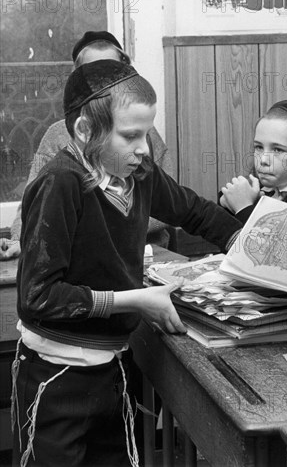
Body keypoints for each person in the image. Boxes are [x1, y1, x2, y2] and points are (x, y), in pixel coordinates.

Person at [12, 60, 243, 467]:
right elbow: (38, 297)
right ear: (85, 131)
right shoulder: (61, 182)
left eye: (147, 134)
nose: (143, 148)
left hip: (114, 370)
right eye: (130, 135)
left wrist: (250, 243)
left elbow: (195, 212)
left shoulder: (138, 172)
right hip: (57, 378)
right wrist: (135, 300)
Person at [0, 30, 174, 260]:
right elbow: (33, 204)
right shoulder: (57, 136)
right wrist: (21, 240)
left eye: (111, 71)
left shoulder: (143, 134)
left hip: (146, 254)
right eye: (92, 73)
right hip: (81, 259)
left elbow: (168, 204)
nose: (103, 81)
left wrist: (118, 228)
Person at [220, 99, 287, 222]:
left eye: (278, 150)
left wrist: (244, 208)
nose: (263, 160)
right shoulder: (256, 184)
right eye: (259, 147)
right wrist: (226, 203)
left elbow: (277, 239)